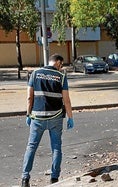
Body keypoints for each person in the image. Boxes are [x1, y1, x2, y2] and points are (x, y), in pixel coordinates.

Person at [21, 54, 74, 187]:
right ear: (57, 62)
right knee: (56, 148)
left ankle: (25, 179)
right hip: (56, 118)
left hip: (37, 118)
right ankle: (54, 179)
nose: (61, 68)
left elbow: (29, 97)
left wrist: (28, 114)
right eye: (61, 65)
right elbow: (66, 100)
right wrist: (70, 117)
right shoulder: (61, 77)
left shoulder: (35, 73)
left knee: (31, 147)